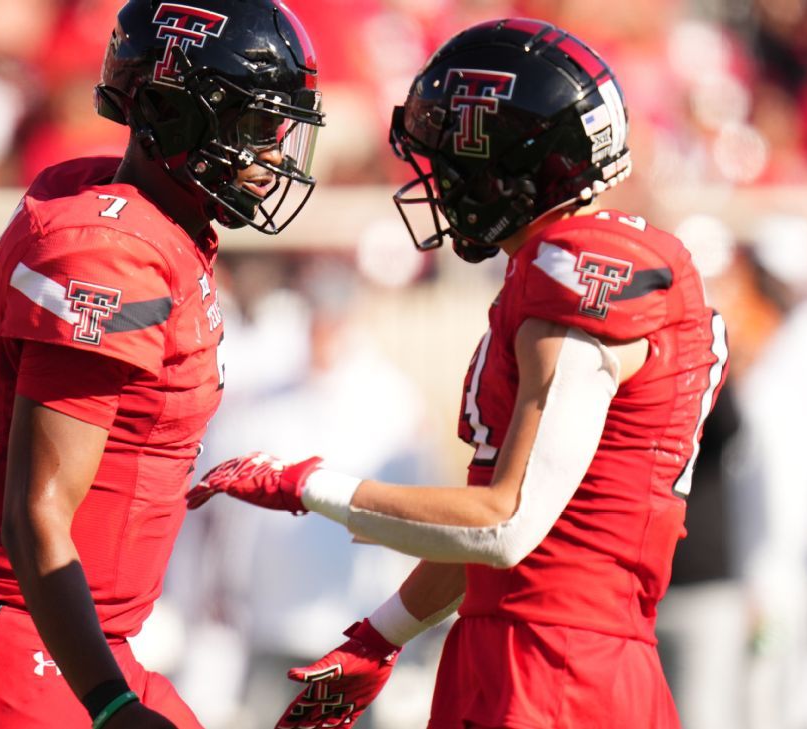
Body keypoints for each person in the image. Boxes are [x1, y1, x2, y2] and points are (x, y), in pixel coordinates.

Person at [188, 19, 728, 729]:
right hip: (546, 651)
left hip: (553, 670)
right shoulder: (572, 267)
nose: (438, 184)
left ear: (508, 163)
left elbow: (506, 523)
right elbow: (506, 543)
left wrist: (308, 483)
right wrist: (381, 634)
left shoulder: (575, 271)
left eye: (449, 160)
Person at [0, 1, 323, 727]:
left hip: (78, 641)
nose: (273, 155)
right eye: (253, 127)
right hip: (19, 651)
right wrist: (108, 698)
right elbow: (37, 508)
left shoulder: (116, 210)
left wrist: (19, 498)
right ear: (166, 111)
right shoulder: (109, 256)